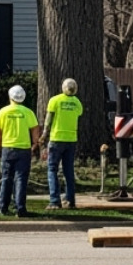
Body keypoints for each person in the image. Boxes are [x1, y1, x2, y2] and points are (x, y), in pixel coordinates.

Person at [0, 83, 39, 218]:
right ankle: (20, 208)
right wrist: (35, 144)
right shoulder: (28, 112)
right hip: (24, 149)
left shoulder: (3, 111)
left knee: (6, 178)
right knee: (21, 179)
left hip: (8, 148)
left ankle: (3, 207)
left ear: (10, 97)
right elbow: (35, 128)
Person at [43, 78, 82, 209]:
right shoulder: (77, 102)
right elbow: (79, 114)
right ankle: (70, 200)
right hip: (71, 139)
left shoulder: (55, 100)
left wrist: (44, 135)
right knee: (68, 171)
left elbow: (48, 119)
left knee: (52, 170)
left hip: (56, 139)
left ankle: (55, 201)